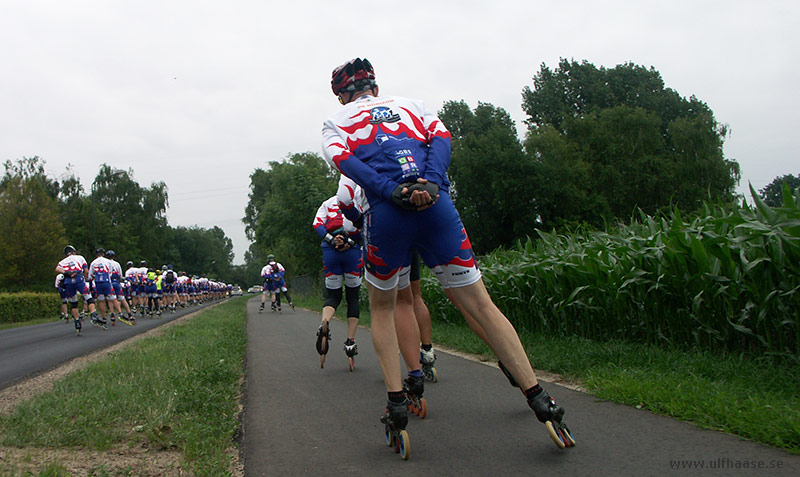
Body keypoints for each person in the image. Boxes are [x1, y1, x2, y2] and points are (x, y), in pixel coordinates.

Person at [321, 58, 573, 448]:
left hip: (387, 216)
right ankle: (540, 397)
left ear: (340, 95)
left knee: (386, 308)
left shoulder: (336, 123)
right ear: (375, 84)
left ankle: (397, 403)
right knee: (482, 306)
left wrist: (391, 192)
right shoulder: (414, 105)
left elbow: (346, 164)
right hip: (436, 207)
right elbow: (442, 139)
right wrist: (432, 184)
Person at [313, 184, 364, 369]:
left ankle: (324, 323)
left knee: (333, 296)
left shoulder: (327, 203)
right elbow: (364, 225)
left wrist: (332, 240)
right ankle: (350, 342)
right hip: (353, 252)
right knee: (352, 297)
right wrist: (350, 242)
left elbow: (317, 224)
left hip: (330, 251)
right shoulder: (358, 202)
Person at [55, 245, 98, 334]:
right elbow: (86, 270)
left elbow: (57, 269)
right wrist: (86, 279)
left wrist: (66, 272)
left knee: (73, 303)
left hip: (68, 281)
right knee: (88, 297)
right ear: (74, 252)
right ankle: (93, 314)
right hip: (79, 279)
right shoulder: (80, 257)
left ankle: (77, 321)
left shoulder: (63, 261)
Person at [88, 248, 114, 327]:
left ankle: (104, 317)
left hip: (98, 283)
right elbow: (110, 273)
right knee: (110, 299)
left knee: (101, 301)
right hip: (106, 282)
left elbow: (90, 276)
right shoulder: (108, 261)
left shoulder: (93, 262)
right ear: (103, 254)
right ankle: (112, 314)